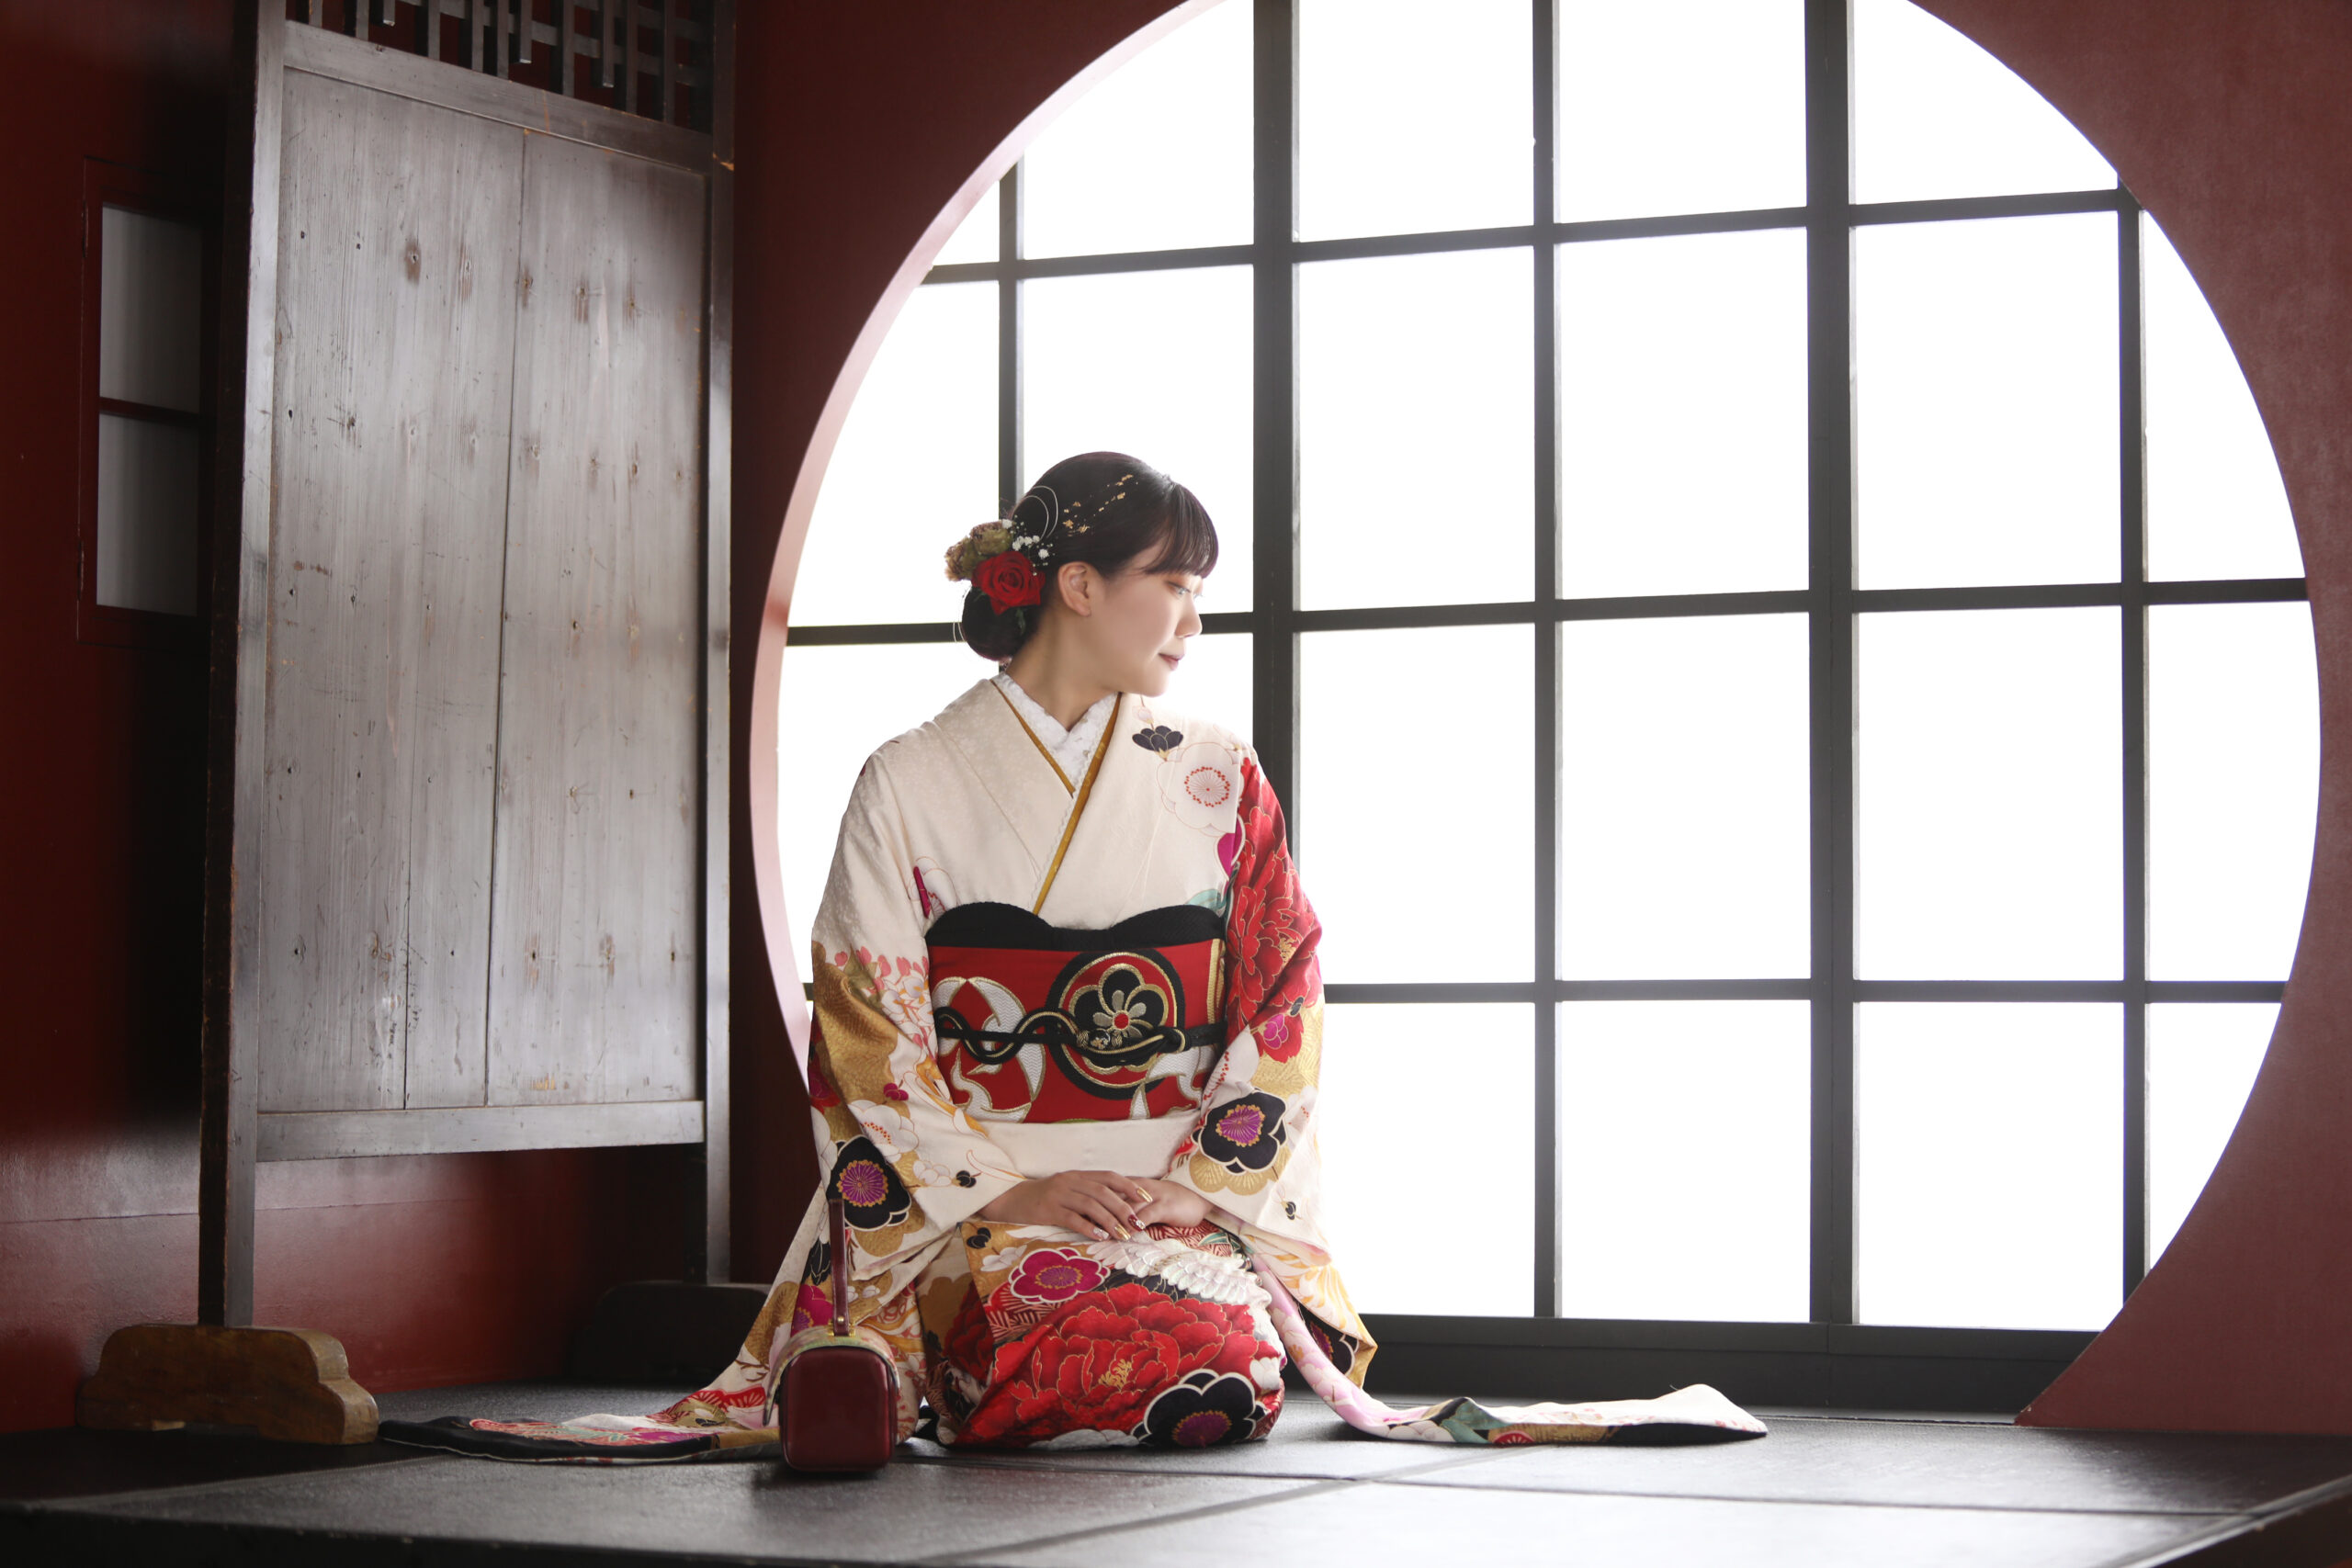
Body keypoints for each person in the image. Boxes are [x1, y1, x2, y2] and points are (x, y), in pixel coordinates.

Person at [387, 453, 1766, 1461]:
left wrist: (1192, 1187)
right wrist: (1023, 1188)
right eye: (1174, 584)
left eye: (1200, 589)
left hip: (1169, 1190)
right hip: (981, 1196)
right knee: (1035, 1324)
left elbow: (1281, 996)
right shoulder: (910, 780)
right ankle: (891, 1366)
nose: (1193, 617)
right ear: (1079, 585)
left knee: (1214, 1358)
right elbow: (868, 1034)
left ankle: (894, 1385)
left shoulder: (1218, 776)